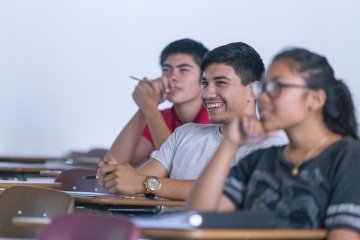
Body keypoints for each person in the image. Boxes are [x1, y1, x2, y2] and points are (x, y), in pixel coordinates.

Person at [186, 48, 360, 239]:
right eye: (263, 88)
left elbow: (345, 236)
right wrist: (230, 143)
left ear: (315, 99)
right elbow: (199, 216)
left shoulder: (348, 157)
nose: (263, 97)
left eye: (277, 87)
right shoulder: (261, 159)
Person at [97, 42, 287, 200]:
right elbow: (135, 182)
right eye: (205, 83)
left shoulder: (270, 147)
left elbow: (225, 191)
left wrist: (146, 184)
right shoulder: (185, 133)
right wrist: (116, 178)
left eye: (220, 83)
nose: (208, 93)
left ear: (254, 91)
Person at [106, 38, 210, 166]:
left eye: (183, 69)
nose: (172, 76)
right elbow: (111, 166)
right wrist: (144, 108)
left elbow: (180, 167)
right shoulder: (161, 117)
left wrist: (149, 108)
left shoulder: (215, 117)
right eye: (166, 69)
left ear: (205, 77)